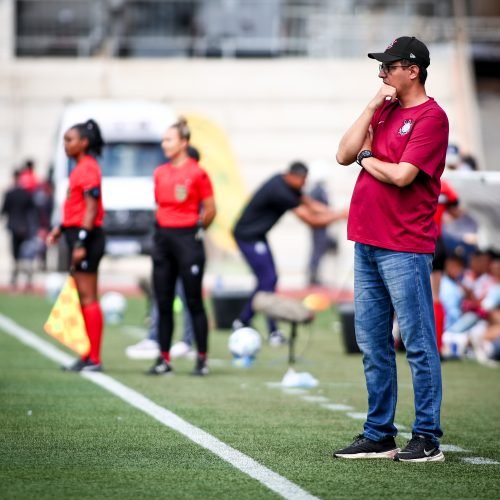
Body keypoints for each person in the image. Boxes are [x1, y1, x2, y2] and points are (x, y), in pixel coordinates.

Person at [334, 36, 448, 462]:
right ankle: (379, 433)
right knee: (372, 342)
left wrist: (367, 157)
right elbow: (343, 153)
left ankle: (427, 438)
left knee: (417, 343)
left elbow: (402, 176)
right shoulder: (382, 109)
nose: (382, 74)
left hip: (404, 246)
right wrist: (369, 108)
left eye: (388, 67)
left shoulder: (432, 117)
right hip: (367, 240)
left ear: (412, 70)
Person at [232, 161, 347, 345]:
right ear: (292, 176)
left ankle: (244, 321)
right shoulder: (281, 191)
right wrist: (339, 216)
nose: (304, 184)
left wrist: (336, 213)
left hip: (258, 236)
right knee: (268, 280)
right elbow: (310, 220)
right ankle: (264, 328)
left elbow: (311, 204)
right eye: (302, 180)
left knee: (269, 279)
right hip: (247, 237)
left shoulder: (286, 183)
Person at [147, 117, 216, 376]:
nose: (164, 144)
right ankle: (163, 359)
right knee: (163, 301)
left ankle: (201, 359)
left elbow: (210, 210)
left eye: (169, 140)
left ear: (184, 142)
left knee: (194, 301)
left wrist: (195, 230)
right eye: (164, 139)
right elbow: (160, 205)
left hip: (188, 240)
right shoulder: (160, 172)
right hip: (162, 240)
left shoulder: (197, 173)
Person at [46, 119, 106, 372]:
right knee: (82, 296)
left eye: (70, 140)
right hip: (76, 234)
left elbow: (91, 209)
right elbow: (78, 207)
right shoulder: (79, 167)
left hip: (88, 237)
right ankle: (87, 354)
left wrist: (80, 241)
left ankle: (93, 358)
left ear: (84, 142)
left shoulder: (88, 168)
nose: (65, 145)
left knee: (89, 296)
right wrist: (61, 228)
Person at [431, 179, 461, 355]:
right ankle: (438, 346)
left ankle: (427, 346)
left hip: (421, 241)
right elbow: (456, 211)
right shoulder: (445, 186)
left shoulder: (416, 177)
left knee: (422, 297)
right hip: (438, 242)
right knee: (436, 296)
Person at [1, 169, 36, 288]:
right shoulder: (26, 194)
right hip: (24, 227)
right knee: (25, 254)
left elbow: (4, 210)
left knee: (15, 253)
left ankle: (15, 277)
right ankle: (26, 277)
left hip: (14, 227)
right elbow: (32, 211)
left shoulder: (10, 193)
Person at [307, 177, 338, 286]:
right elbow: (314, 209)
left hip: (322, 226)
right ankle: (313, 276)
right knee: (318, 250)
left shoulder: (315, 190)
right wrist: (335, 215)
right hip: (319, 226)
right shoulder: (317, 191)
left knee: (319, 250)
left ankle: (315, 275)